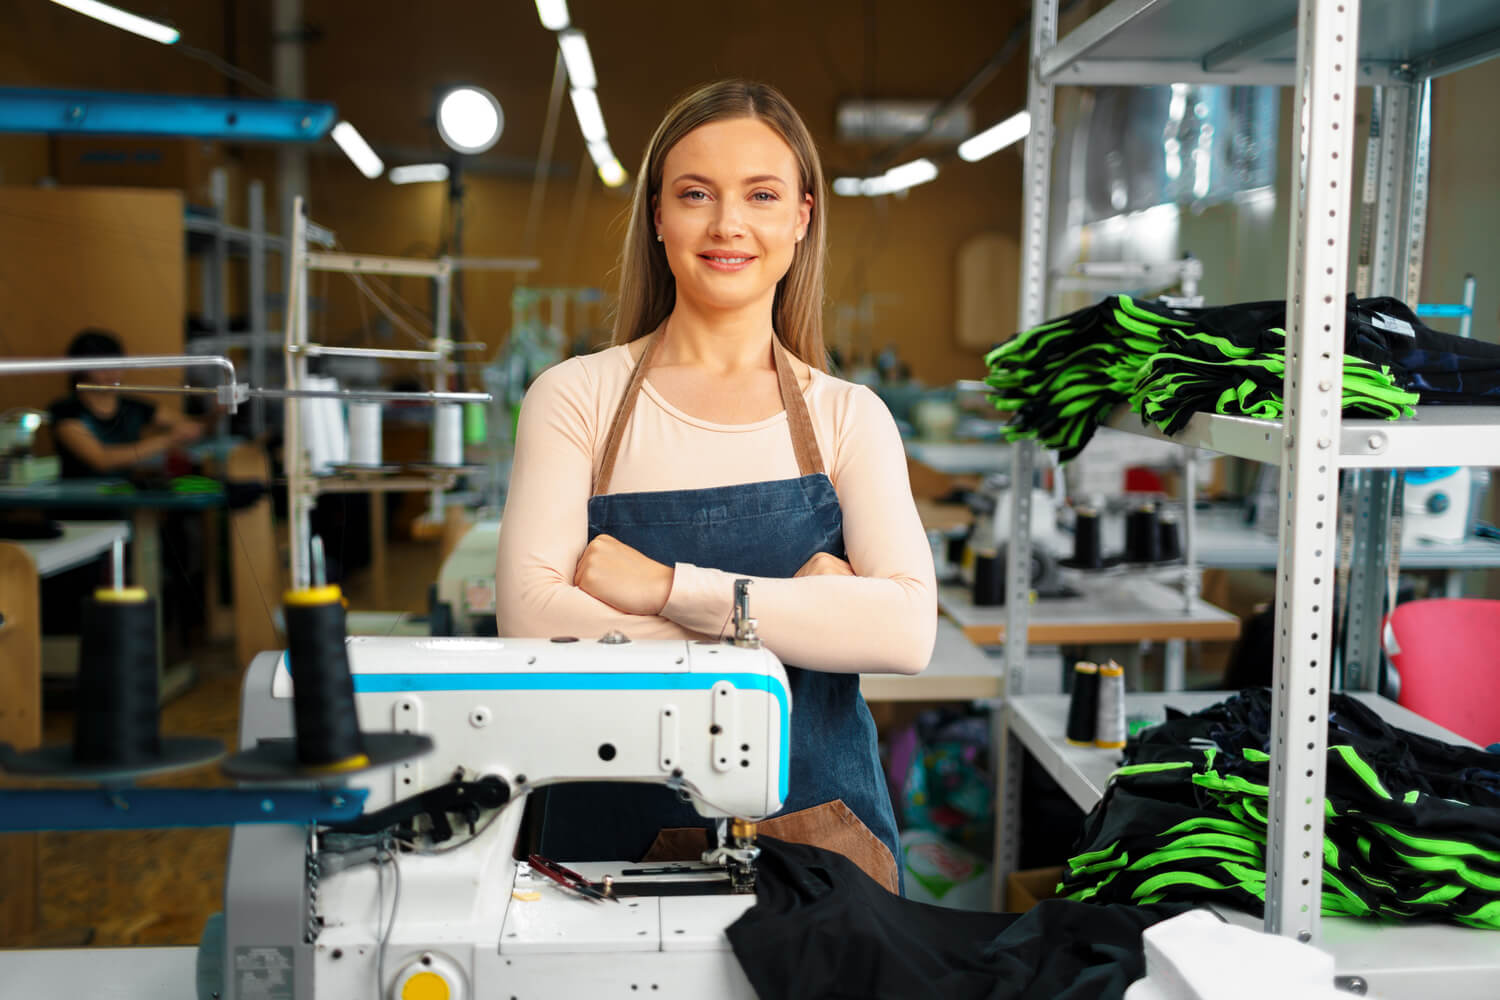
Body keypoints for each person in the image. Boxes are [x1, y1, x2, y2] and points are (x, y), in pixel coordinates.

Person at [495, 80, 937, 890]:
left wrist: (661, 587)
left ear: (801, 217)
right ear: (658, 217)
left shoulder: (849, 417)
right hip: (605, 851)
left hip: (821, 851)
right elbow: (530, 622)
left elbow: (906, 632)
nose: (727, 224)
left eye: (761, 195)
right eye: (695, 194)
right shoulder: (576, 398)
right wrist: (797, 621)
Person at [48, 328, 203, 479]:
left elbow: (188, 425)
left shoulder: (133, 406)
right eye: (101, 365)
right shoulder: (65, 411)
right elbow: (101, 460)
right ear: (80, 368)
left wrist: (208, 418)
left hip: (124, 498)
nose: (111, 371)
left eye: (116, 362)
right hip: (78, 500)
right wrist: (168, 440)